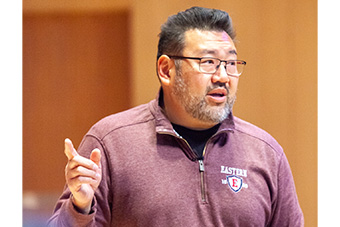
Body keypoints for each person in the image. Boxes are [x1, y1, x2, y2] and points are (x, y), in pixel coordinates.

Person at [48, 6, 304, 226]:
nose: (223, 77)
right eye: (208, 62)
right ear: (166, 70)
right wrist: (80, 206)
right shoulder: (110, 143)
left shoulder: (266, 153)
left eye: (231, 63)